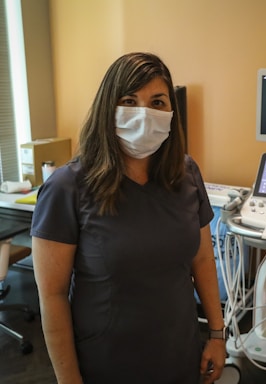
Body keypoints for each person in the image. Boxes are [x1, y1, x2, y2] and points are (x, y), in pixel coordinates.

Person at [31, 52, 226, 384]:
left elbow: (204, 259)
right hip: (108, 361)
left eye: (158, 102)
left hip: (179, 352)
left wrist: (218, 335)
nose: (144, 114)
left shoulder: (186, 173)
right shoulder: (67, 188)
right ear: (109, 108)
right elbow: (52, 296)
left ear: (171, 111)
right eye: (129, 100)